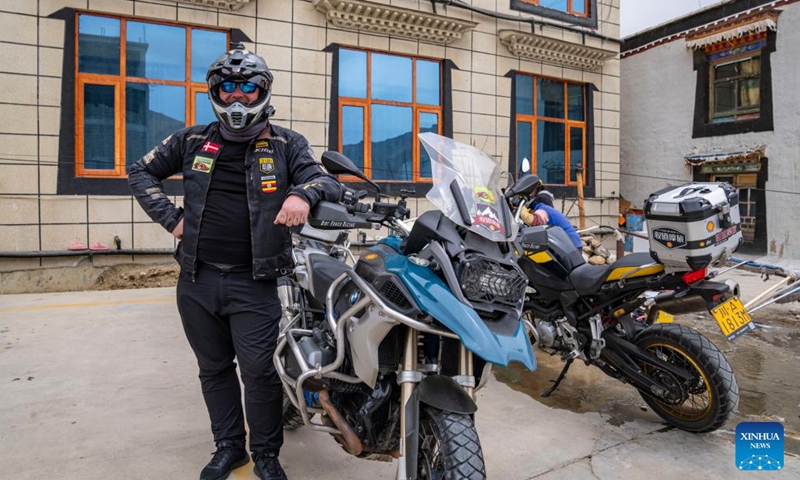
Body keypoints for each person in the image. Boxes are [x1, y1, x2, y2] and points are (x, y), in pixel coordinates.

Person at [128, 45, 342, 480]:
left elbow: (325, 179)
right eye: (228, 89)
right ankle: (229, 448)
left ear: (263, 92)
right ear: (215, 93)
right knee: (213, 369)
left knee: (260, 373)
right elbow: (141, 171)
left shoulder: (285, 144)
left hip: (255, 282)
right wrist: (171, 218)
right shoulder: (191, 140)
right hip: (197, 279)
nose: (237, 99)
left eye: (248, 89)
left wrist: (303, 193)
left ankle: (265, 454)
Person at [520, 176, 583, 250]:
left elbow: (533, 220)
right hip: (570, 244)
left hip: (571, 246)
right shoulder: (548, 209)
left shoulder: (543, 209)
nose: (530, 212)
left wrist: (522, 209)